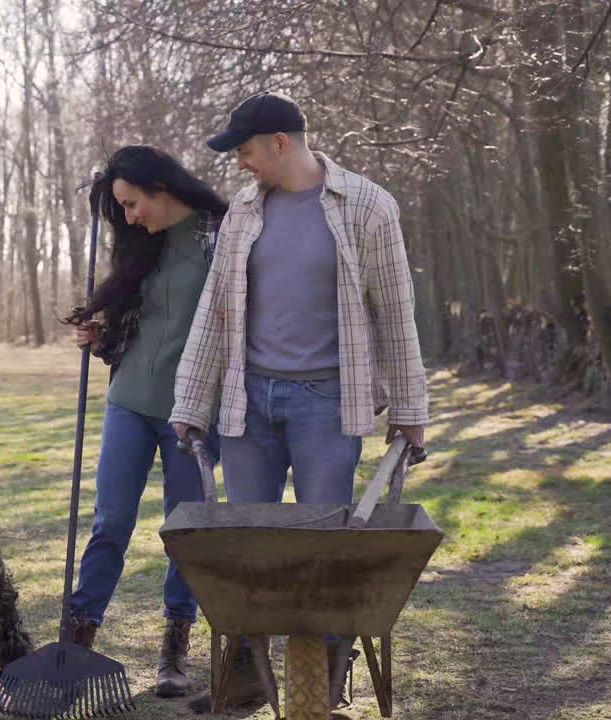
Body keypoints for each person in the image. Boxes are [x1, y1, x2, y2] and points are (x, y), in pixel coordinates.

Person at [169, 92, 430, 713]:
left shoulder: (366, 206)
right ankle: (246, 677)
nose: (241, 163)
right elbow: (214, 310)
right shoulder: (243, 210)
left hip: (328, 405)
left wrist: (411, 409)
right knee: (248, 553)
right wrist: (189, 399)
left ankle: (327, 680)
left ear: (281, 143)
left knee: (326, 551)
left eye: (247, 150)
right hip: (247, 402)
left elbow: (395, 313)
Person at [64, 145, 226, 698]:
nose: (129, 218)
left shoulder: (221, 235)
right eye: (121, 210)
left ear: (160, 187)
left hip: (196, 412)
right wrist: (97, 330)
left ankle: (174, 654)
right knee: (110, 522)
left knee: (185, 532)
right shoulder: (142, 243)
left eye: (132, 204)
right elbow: (137, 323)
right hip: (130, 400)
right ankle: (75, 644)